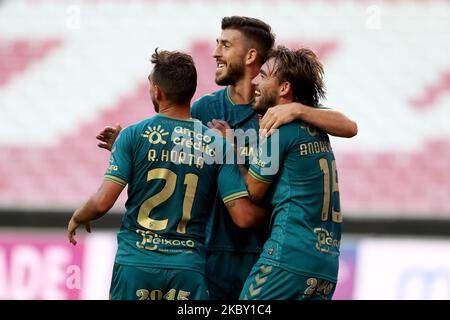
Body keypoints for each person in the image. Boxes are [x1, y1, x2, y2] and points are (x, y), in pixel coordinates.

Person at [96, 16, 357, 300]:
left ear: (250, 56)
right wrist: (127, 148)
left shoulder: (280, 115)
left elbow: (349, 126)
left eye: (225, 45)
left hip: (264, 252)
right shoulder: (206, 109)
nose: (215, 52)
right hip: (211, 253)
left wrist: (296, 110)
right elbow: (170, 154)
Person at [67, 49, 267, 300]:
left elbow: (102, 202)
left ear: (157, 92)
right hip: (187, 268)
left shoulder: (132, 135)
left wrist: (78, 216)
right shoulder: (218, 145)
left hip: (136, 263)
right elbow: (241, 214)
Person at [237, 46, 342, 299]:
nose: (254, 81)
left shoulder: (278, 131)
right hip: (326, 263)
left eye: (263, 75)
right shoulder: (317, 123)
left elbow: (253, 192)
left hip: (287, 256)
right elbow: (350, 126)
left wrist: (229, 155)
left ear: (284, 88)